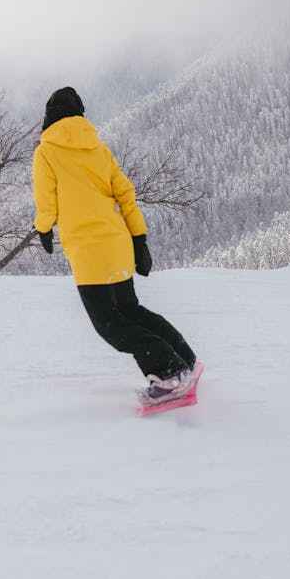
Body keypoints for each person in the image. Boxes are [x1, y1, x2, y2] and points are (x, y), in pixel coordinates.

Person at [32, 86, 197, 405]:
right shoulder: (98, 148)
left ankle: (169, 373)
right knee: (130, 310)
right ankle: (183, 359)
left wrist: (42, 229)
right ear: (80, 115)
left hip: (89, 253)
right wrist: (139, 239)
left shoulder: (46, 152)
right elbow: (126, 194)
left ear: (49, 118)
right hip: (118, 242)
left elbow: (47, 203)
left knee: (109, 324)